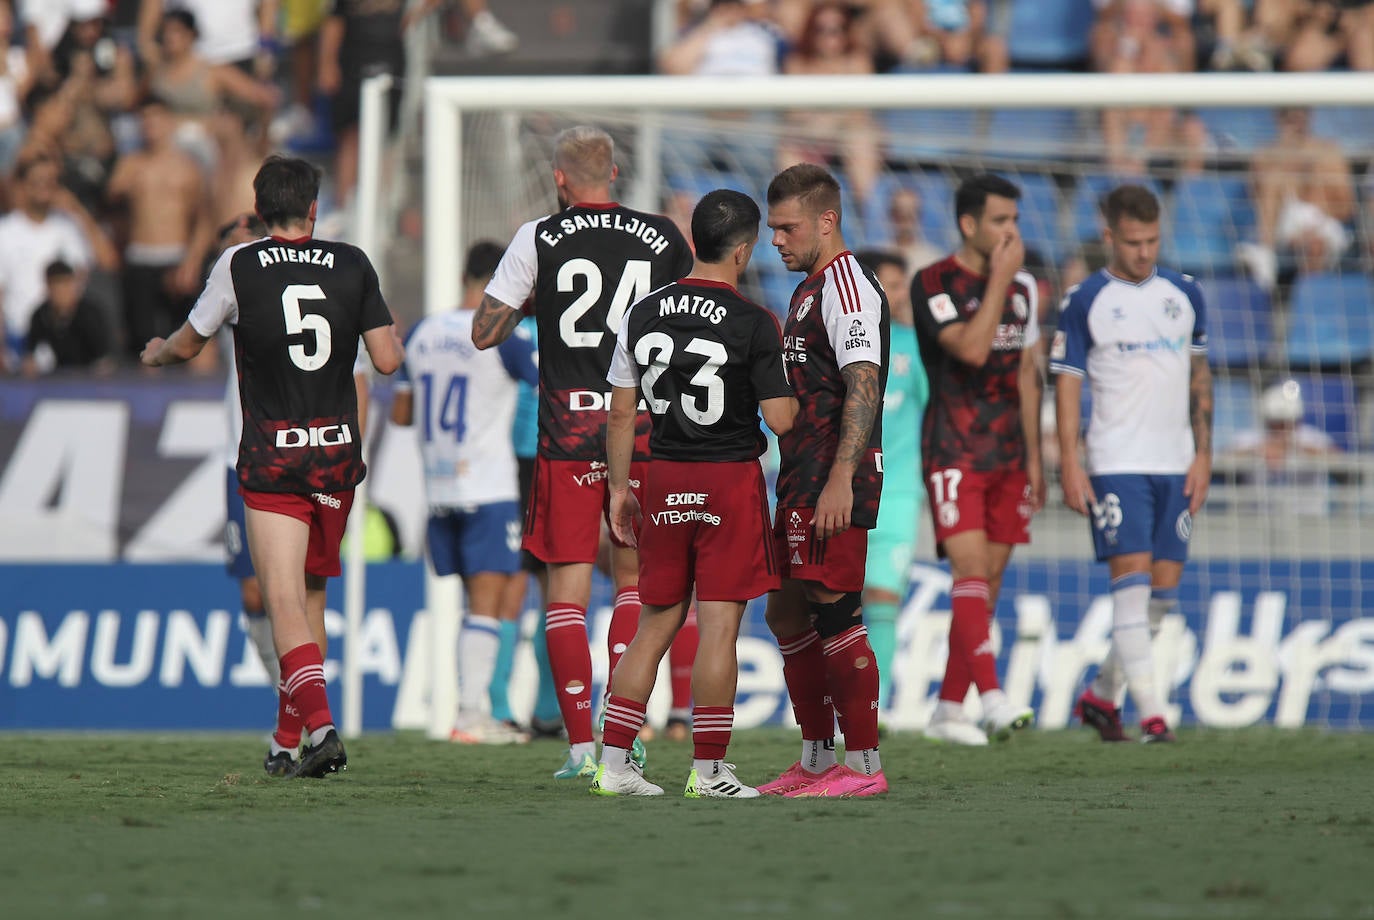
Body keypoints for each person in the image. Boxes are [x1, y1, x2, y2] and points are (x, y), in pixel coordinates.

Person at [140, 155, 403, 777]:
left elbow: (189, 341)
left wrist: (156, 355)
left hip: (275, 453)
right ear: (314, 208)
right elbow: (387, 361)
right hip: (338, 454)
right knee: (311, 596)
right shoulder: (353, 261)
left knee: (281, 599)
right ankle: (290, 741)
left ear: (259, 212)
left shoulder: (239, 263)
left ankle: (322, 728)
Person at [471, 125, 694, 780]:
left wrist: (533, 295)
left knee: (564, 592)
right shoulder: (661, 237)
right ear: (616, 172)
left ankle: (576, 748)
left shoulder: (537, 238)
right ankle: (620, 734)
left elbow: (486, 331)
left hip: (568, 433)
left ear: (561, 180)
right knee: (634, 584)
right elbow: (688, 322)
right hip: (644, 426)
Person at [590, 188, 798, 798]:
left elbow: (621, 413)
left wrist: (620, 489)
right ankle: (708, 771)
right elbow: (782, 421)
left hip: (665, 474)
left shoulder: (643, 313)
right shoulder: (756, 321)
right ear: (744, 250)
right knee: (718, 630)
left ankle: (616, 763)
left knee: (655, 622)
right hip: (728, 481)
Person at [1051, 183, 1212, 744]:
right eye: (1134, 241)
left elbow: (1199, 376)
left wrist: (1204, 455)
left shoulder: (1186, 294)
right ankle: (1154, 715)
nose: (1145, 252)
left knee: (1163, 595)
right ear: (1110, 236)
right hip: (1116, 459)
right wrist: (1071, 461)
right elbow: (1067, 387)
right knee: (1134, 584)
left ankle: (1100, 696)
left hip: (1176, 461)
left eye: (1153, 240)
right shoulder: (1085, 299)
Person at [755, 163, 890, 798]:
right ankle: (815, 759)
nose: (774, 240)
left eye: (787, 228)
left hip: (833, 477)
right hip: (800, 474)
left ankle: (863, 766)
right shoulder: (808, 287)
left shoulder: (847, 287)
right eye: (772, 228)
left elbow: (865, 382)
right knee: (786, 612)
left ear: (826, 221)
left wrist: (842, 477)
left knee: (836, 612)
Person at [910, 173, 1044, 746]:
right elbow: (970, 348)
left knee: (986, 583)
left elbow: (1027, 375)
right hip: (953, 447)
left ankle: (946, 710)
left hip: (1009, 453)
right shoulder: (933, 282)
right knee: (968, 572)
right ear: (969, 224)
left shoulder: (1026, 289)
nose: (1011, 231)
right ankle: (990, 698)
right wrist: (1001, 282)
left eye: (1015, 220)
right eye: (1000, 221)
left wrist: (1038, 460)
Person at [390, 240, 536, 745]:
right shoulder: (503, 336)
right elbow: (548, 387)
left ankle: (470, 709)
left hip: (439, 488)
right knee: (487, 607)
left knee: (468, 605)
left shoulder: (423, 332)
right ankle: (472, 716)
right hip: (490, 486)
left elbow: (402, 415)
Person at [855, 249, 928, 718]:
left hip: (898, 494)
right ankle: (831, 708)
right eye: (892, 285)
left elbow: (937, 408)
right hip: (844, 494)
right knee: (835, 609)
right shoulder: (843, 344)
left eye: (904, 285)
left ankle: (868, 711)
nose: (901, 294)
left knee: (883, 597)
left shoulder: (916, 347)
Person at [107, 95, 214, 363]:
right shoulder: (130, 165)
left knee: (190, 339)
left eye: (156, 118)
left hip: (176, 258)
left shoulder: (187, 168)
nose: (150, 125)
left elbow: (204, 219)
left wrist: (192, 261)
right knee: (143, 342)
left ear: (168, 123)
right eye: (145, 120)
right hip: (140, 257)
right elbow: (110, 206)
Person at [0, 155, 115, 373]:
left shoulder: (68, 228)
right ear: (23, 186)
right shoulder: (5, 231)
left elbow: (106, 261)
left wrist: (76, 208)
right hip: (19, 342)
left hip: (64, 343)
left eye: (50, 182)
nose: (44, 188)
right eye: (38, 181)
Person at [1239, 106, 1355, 291]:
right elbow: (1255, 196)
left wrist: (1315, 222)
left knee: (1314, 244)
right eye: (1288, 119)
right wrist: (1285, 158)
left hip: (1324, 221)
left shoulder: (1329, 151)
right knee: (1274, 178)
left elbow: (1346, 207)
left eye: (1299, 118)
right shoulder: (1266, 153)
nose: (1295, 126)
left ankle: (1309, 301)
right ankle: (1265, 254)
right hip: (1283, 222)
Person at [20, 259, 112, 376]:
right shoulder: (40, 316)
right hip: (58, 379)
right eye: (57, 289)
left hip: (90, 379)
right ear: (48, 288)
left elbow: (104, 358)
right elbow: (30, 354)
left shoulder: (90, 314)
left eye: (66, 287)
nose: (63, 294)